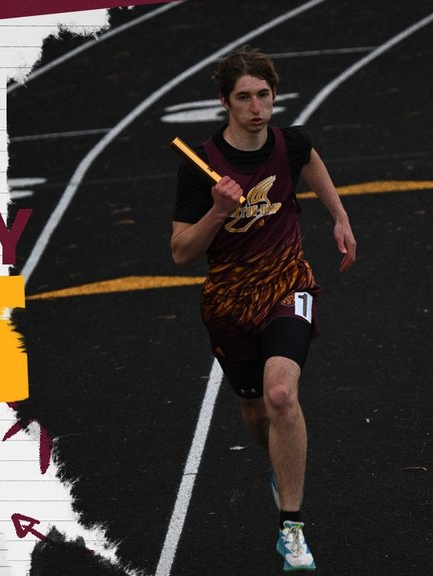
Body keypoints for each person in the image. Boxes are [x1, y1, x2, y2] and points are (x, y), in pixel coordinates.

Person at [170, 47, 356, 572]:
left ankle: (291, 528)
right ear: (225, 102)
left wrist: (339, 216)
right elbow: (182, 252)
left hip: (287, 283)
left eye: (264, 96)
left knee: (280, 395)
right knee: (257, 408)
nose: (256, 107)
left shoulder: (289, 142)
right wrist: (217, 211)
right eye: (244, 97)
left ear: (274, 97)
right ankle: (280, 466)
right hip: (230, 303)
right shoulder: (199, 165)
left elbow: (309, 158)